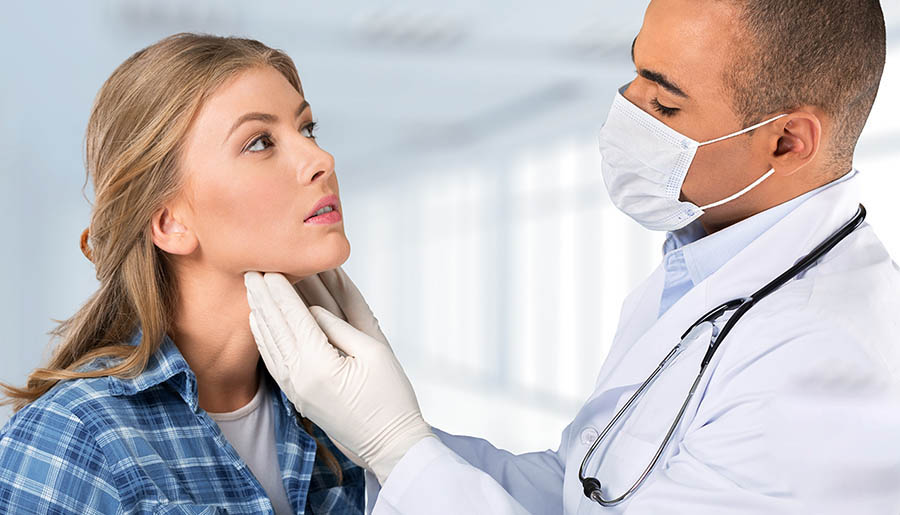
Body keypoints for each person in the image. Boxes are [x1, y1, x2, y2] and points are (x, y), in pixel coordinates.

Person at [244, 0, 900, 513]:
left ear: (788, 142)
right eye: (636, 72)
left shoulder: (824, 361)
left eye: (665, 102)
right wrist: (385, 436)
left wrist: (398, 448)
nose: (627, 108)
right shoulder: (707, 263)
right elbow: (581, 489)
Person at [0, 33, 365, 513]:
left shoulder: (333, 417)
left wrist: (406, 452)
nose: (322, 160)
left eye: (308, 129)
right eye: (260, 142)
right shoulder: (74, 439)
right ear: (170, 223)